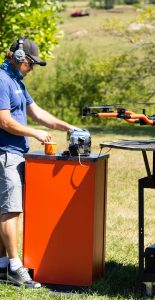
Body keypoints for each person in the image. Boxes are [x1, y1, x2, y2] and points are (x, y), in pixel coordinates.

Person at [0, 37, 78, 288]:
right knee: (11, 210)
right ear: (19, 57)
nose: (31, 69)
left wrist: (68, 126)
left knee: (7, 209)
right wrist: (35, 133)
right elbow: (4, 121)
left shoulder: (17, 82)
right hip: (5, 153)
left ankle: (2, 265)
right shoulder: (1, 80)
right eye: (30, 64)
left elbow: (38, 113)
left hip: (17, 154)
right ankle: (14, 267)